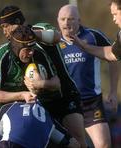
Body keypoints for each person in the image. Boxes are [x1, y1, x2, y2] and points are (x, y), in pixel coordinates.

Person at [0, 24, 79, 148]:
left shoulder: (38, 54)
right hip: (5, 108)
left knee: (73, 143)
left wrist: (41, 84)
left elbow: (56, 83)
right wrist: (22, 94)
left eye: (33, 48)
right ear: (17, 47)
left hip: (37, 107)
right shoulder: (0, 58)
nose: (31, 53)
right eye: (27, 50)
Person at [57, 4, 119, 148]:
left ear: (79, 20)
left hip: (91, 102)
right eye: (63, 19)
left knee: (104, 144)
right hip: (66, 103)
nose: (66, 23)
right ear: (58, 21)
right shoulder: (53, 42)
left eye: (71, 19)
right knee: (75, 144)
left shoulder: (93, 36)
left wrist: (113, 92)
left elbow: (114, 59)